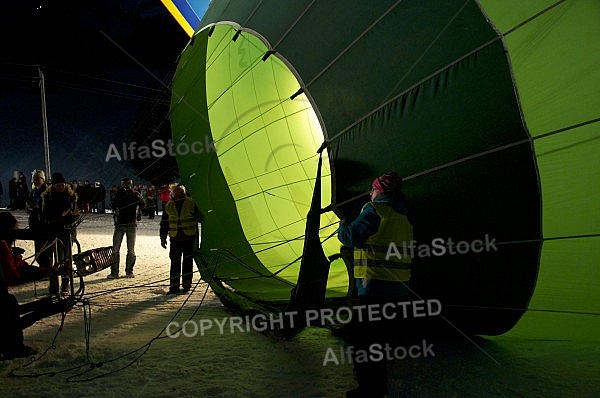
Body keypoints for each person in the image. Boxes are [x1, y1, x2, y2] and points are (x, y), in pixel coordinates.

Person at [337, 171, 413, 398]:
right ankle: (377, 387)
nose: (371, 193)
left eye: (373, 189)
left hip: (375, 287)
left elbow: (351, 237)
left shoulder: (374, 210)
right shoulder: (404, 215)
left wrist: (342, 225)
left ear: (380, 190)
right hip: (398, 289)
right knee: (376, 341)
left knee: (360, 341)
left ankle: (369, 389)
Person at [41, 172, 80, 294]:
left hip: (67, 232)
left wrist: (73, 216)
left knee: (66, 259)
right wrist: (60, 215)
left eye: (62, 185)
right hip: (53, 231)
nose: (60, 187)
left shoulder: (71, 196)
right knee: (54, 260)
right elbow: (45, 215)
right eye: (57, 185)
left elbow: (75, 214)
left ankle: (65, 284)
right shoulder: (48, 197)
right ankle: (53, 285)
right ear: (53, 185)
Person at [160, 185, 202, 294]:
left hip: (188, 237)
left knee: (187, 262)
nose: (176, 193)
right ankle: (174, 287)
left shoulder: (191, 202)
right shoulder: (169, 205)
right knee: (175, 263)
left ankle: (187, 285)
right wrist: (163, 237)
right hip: (175, 238)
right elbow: (164, 223)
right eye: (175, 191)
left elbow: (199, 216)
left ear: (183, 192)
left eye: (178, 191)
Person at [108, 178, 145, 279]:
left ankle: (129, 271)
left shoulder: (134, 194)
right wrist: (120, 194)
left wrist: (135, 194)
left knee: (130, 250)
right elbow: (113, 205)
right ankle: (115, 272)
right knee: (116, 249)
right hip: (121, 224)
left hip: (130, 224)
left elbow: (143, 204)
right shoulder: (119, 194)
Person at [26, 170, 52, 270]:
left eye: (37, 179)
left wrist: (39, 207)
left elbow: (49, 207)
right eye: (34, 179)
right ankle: (42, 267)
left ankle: (47, 268)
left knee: (46, 249)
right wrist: (29, 207)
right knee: (38, 248)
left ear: (43, 179)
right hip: (35, 223)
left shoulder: (47, 191)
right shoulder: (33, 192)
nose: (35, 181)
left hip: (44, 224)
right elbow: (28, 203)